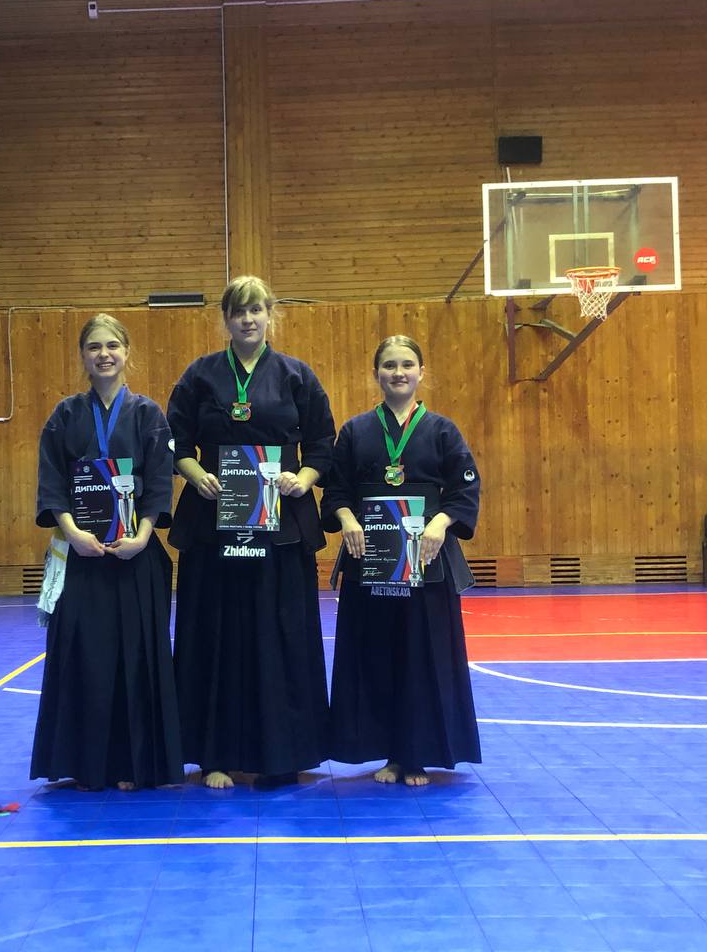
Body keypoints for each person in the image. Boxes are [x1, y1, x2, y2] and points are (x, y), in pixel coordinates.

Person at [167, 275, 335, 789]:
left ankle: (282, 755)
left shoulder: (296, 375)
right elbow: (175, 442)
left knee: (279, 636)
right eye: (238, 311)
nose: (247, 319)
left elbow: (323, 444)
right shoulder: (200, 375)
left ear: (270, 315)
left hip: (280, 528)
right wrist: (195, 474)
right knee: (214, 636)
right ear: (225, 318)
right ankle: (213, 754)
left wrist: (302, 479)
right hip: (213, 527)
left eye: (255, 309)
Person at [320, 334, 481, 786]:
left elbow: (465, 488)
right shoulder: (355, 431)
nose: (398, 372)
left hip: (426, 562)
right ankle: (389, 753)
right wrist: (347, 519)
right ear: (376, 374)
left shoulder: (443, 430)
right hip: (371, 561)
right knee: (376, 656)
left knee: (422, 659)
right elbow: (335, 491)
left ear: (421, 372)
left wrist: (441, 522)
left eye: (407, 364)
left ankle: (415, 755)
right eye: (389, 365)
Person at [31, 314, 183, 790]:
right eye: (94, 347)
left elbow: (159, 483)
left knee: (136, 658)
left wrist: (142, 536)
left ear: (126, 352)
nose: (104, 354)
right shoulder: (64, 415)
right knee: (85, 658)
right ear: (82, 355)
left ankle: (135, 765)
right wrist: (73, 533)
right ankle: (87, 764)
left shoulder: (148, 414)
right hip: (81, 555)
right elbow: (52, 482)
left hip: (136, 555)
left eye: (112, 345)